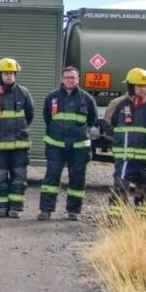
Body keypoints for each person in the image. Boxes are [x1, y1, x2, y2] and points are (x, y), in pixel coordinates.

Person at [104, 68, 146, 220]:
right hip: (125, 159)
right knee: (120, 188)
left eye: (145, 86)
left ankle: (142, 223)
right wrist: (118, 140)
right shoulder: (117, 104)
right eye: (139, 85)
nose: (143, 89)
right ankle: (114, 222)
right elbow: (107, 127)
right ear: (130, 86)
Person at [38, 67, 98, 221]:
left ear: (78, 79)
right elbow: (47, 118)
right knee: (51, 177)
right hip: (55, 146)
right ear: (62, 79)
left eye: (73, 77)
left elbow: (92, 120)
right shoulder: (52, 97)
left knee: (77, 177)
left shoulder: (87, 99)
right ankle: (46, 210)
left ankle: (73, 211)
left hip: (79, 148)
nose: (70, 80)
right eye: (67, 77)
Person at [0, 57, 35, 218]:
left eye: (12, 73)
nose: (9, 76)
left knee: (19, 178)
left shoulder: (23, 93)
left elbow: (30, 115)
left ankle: (16, 208)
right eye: (6, 73)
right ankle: (1, 208)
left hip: (19, 147)